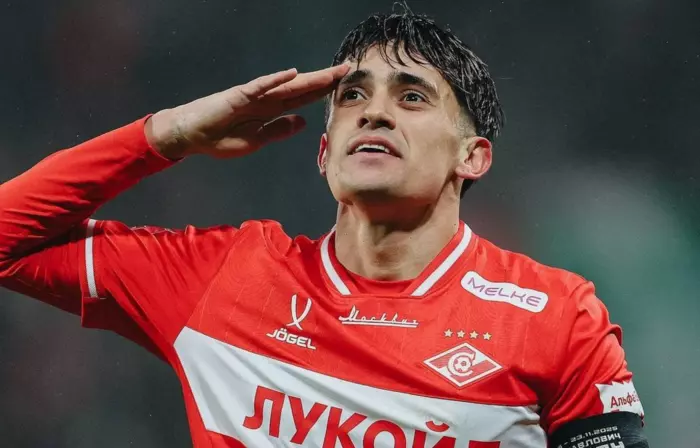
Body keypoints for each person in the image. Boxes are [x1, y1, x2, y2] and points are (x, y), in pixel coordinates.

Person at [0, 10, 648, 448]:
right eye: (353, 96)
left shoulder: (555, 318)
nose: (374, 114)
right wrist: (166, 134)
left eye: (412, 97)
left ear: (471, 157)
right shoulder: (222, 279)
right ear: (324, 151)